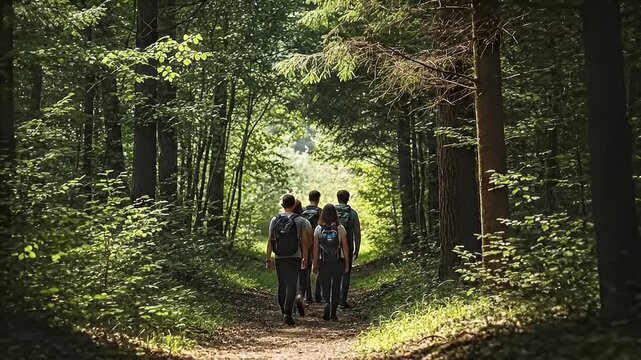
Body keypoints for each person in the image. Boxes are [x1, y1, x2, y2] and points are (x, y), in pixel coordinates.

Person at [265, 194, 311, 325]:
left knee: (282, 284)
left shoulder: (275, 220)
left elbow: (270, 240)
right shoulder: (300, 220)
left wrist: (268, 259)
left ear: (282, 205)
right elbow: (305, 242)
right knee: (292, 285)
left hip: (279, 256)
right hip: (295, 256)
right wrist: (305, 258)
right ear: (294, 205)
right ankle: (287, 313)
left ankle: (283, 311)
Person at [312, 204, 350, 321]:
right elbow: (345, 247)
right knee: (336, 286)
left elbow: (316, 249)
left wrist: (315, 263)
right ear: (335, 214)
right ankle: (333, 312)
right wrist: (347, 263)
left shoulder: (318, 229)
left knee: (325, 285)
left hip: (324, 261)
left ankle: (326, 303)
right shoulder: (340, 228)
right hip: (338, 261)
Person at [335, 190, 361, 309]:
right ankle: (342, 301)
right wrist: (357, 249)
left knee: (333, 273)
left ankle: (331, 300)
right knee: (346, 273)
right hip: (348, 248)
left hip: (331, 248)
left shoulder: (331, 212)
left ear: (337, 198)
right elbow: (357, 233)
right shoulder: (352, 213)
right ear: (348, 199)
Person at [300, 190, 322, 303]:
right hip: (317, 242)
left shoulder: (302, 211)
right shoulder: (320, 212)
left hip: (305, 243)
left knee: (306, 269)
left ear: (309, 199)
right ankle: (318, 295)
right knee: (320, 268)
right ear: (318, 199)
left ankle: (307, 296)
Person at [292, 199, 313, 314]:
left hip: (288, 255)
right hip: (302, 254)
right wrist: (309, 255)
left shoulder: (282, 220)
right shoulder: (305, 222)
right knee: (303, 279)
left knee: (291, 280)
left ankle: (291, 305)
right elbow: (310, 241)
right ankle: (300, 296)